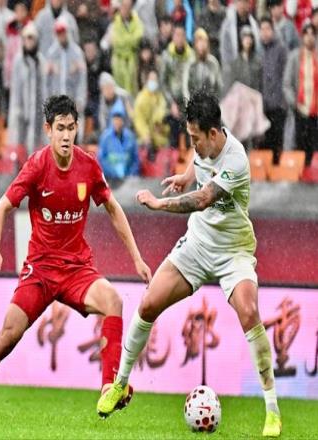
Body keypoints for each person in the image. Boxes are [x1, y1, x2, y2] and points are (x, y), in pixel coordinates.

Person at [0, 94, 151, 420]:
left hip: (77, 269)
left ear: (77, 128)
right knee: (7, 336)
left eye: (71, 128)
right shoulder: (38, 165)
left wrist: (136, 258)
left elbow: (112, 208)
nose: (66, 135)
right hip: (39, 271)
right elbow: (2, 206)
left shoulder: (88, 166)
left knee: (113, 301)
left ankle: (108, 388)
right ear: (48, 130)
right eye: (60, 129)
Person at [97, 90, 282, 438]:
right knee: (148, 303)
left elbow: (203, 199)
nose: (192, 144)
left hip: (233, 252)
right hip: (197, 246)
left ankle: (272, 411)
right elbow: (198, 166)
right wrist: (186, 175)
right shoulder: (205, 147)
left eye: (196, 138)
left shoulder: (236, 160)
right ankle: (119, 384)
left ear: (213, 133)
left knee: (249, 311)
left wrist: (159, 204)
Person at [7, 22, 47, 155]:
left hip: (37, 110)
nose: (29, 42)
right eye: (26, 38)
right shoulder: (19, 61)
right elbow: (15, 87)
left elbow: (44, 88)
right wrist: (17, 109)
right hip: (21, 110)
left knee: (36, 143)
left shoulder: (41, 61)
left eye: (31, 38)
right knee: (20, 143)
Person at [283, 22, 318, 166]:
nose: (309, 37)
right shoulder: (294, 57)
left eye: (312, 34)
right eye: (306, 34)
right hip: (299, 111)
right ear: (302, 36)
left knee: (314, 149)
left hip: (315, 112)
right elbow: (287, 84)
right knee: (299, 147)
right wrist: (294, 103)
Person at [259, 16, 287, 164]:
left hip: (277, 105)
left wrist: (282, 100)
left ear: (273, 30)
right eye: (262, 29)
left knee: (277, 142)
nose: (265, 32)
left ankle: (277, 170)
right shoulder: (258, 51)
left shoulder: (281, 49)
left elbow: (285, 76)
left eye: (267, 29)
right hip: (262, 106)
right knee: (263, 143)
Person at [98, 100, 140, 180]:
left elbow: (135, 160)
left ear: (123, 120)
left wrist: (131, 174)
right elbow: (101, 160)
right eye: (115, 118)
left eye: (119, 118)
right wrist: (113, 173)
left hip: (128, 180)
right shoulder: (105, 137)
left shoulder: (130, 137)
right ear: (112, 120)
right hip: (110, 180)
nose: (117, 121)